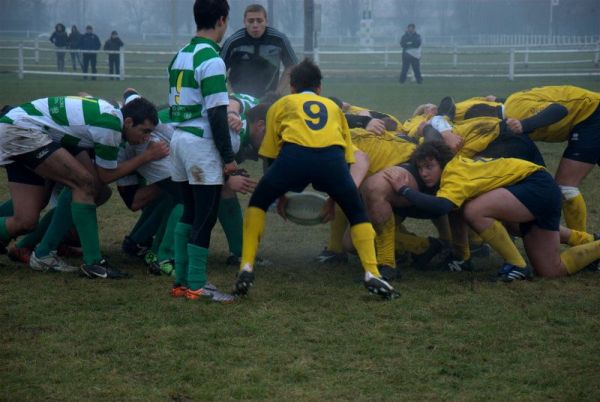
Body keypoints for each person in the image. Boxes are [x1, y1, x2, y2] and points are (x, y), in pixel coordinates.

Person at [232, 58, 398, 300]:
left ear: (292, 87)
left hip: (293, 157)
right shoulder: (332, 107)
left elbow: (269, 155)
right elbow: (348, 155)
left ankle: (246, 265)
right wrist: (337, 194)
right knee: (356, 212)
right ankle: (372, 272)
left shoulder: (282, 104)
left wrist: (279, 193)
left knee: (257, 203)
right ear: (319, 88)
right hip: (331, 161)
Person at [386, 141, 600, 280]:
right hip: (535, 188)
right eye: (420, 167)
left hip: (535, 184)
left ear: (443, 163)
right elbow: (453, 214)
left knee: (475, 210)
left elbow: (442, 207)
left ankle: (517, 265)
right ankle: (594, 246)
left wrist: (404, 190)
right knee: (551, 270)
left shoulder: (454, 174)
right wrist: (461, 257)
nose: (423, 173)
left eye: (429, 166)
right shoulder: (450, 179)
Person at [0, 95, 159, 278]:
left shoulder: (112, 116)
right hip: (23, 129)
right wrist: (146, 157)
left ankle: (44, 250)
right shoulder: (110, 125)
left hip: (20, 127)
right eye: (144, 131)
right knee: (85, 184)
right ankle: (92, 263)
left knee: (25, 221)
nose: (146, 138)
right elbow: (106, 175)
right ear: (129, 122)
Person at [167, 0, 237, 303]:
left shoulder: (180, 55)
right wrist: (229, 159)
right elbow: (218, 114)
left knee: (190, 212)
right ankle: (197, 284)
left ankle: (181, 281)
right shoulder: (212, 59)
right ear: (222, 20)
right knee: (205, 217)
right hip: (199, 144)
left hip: (178, 140)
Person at [500, 85, 600, 233]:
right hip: (588, 115)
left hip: (592, 116)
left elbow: (558, 110)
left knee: (566, 187)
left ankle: (585, 244)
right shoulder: (510, 105)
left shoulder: (516, 111)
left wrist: (524, 125)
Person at [220, 3, 298, 98]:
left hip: (268, 100)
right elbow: (219, 69)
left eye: (259, 21)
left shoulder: (279, 39)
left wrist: (278, 92)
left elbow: (292, 65)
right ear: (244, 22)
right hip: (240, 100)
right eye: (251, 21)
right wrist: (232, 94)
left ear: (266, 21)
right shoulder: (233, 42)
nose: (255, 25)